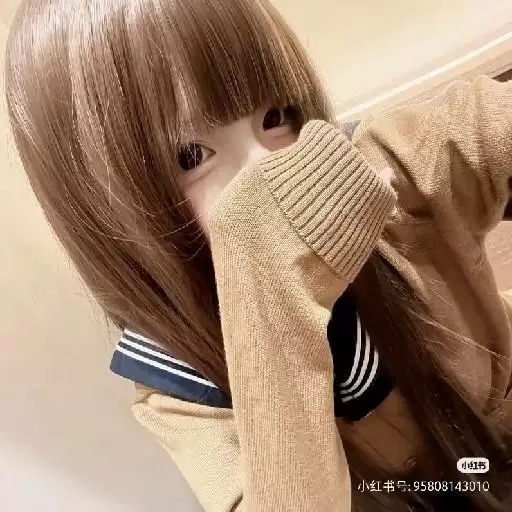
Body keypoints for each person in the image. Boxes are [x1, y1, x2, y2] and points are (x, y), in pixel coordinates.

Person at [5, 0, 512, 510]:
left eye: (275, 117)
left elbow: (475, 129)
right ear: (110, 209)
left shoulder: (374, 174)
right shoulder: (181, 387)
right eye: (191, 155)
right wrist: (272, 290)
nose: (270, 166)